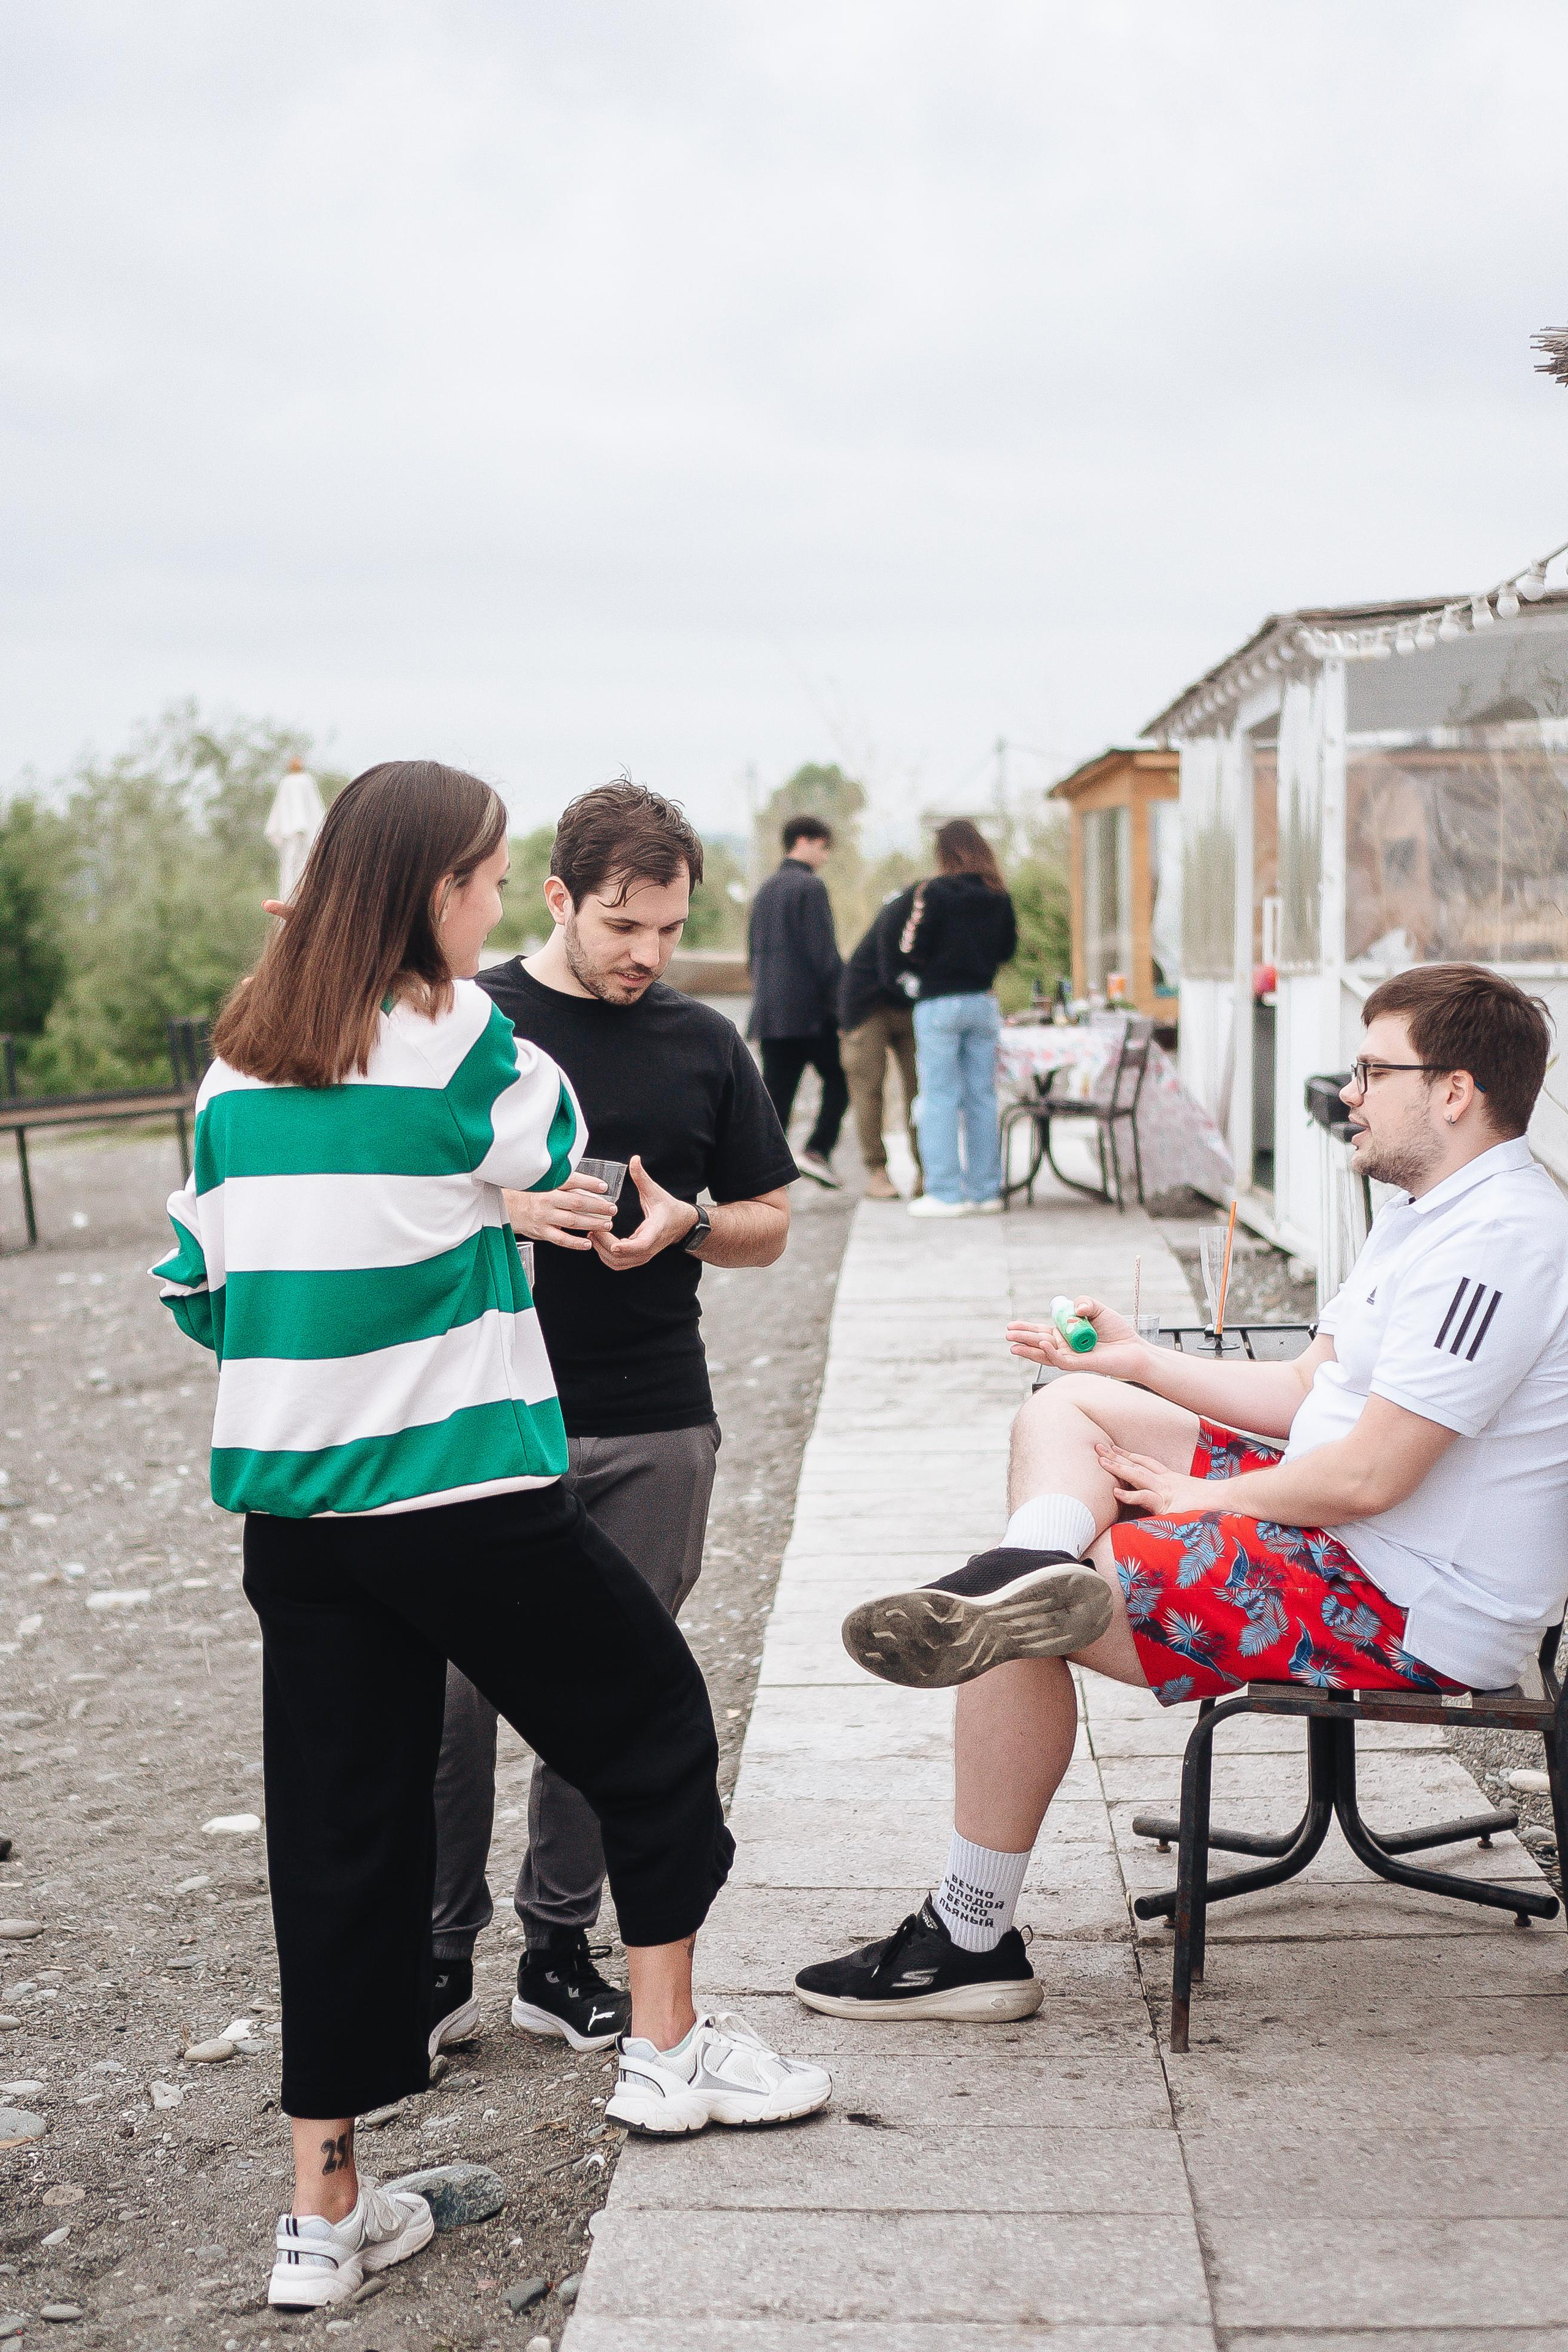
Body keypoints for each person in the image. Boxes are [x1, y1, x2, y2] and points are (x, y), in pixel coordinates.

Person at [152, 761, 829, 2310]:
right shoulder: (467, 1038)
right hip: (459, 1492)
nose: (486, 904)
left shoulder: (237, 1073)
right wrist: (486, 1230)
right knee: (650, 1721)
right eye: (483, 878)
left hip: (296, 1512)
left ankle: (321, 2213)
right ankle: (661, 2054)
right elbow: (555, 1165)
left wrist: (347, 1309)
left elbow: (197, 1282)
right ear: (433, 893)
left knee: (336, 1837)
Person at [795, 963, 1568, 2019]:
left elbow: (1372, 1474)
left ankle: (968, 1939)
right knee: (1069, 1410)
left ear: (1454, 1091)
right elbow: (1307, 1395)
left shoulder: (1503, 1243)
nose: (1348, 1091)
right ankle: (1031, 1572)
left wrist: (1207, 1502)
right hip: (1346, 1530)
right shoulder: (1425, 1210)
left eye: (1370, 1070)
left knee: (1016, 1627)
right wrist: (1137, 1361)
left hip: (1407, 1595)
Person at [429, 780, 799, 2054]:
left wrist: (688, 1222)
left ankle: (554, 1950)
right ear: (553, 899)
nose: (647, 954)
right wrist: (509, 1212)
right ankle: (428, 1962)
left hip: (654, 1419)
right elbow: (395, 1190)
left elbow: (768, 1223)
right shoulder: (464, 1023)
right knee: (448, 1701)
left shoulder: (703, 1042)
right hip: (477, 1415)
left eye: (668, 928)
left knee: (607, 1700)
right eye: (621, 924)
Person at [903, 818, 1017, 1220]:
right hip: (983, 1002)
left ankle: (946, 1193)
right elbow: (1008, 948)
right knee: (982, 1098)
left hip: (939, 1003)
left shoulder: (934, 892)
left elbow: (912, 947)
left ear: (945, 852)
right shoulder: (997, 893)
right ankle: (987, 1191)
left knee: (939, 1097)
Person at [747, 813, 848, 1188]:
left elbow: (753, 954)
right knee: (841, 1079)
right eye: (823, 848)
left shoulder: (766, 890)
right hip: (810, 1014)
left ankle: (762, 1176)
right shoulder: (810, 887)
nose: (824, 857)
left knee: (775, 1098)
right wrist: (841, 1007)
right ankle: (817, 1149)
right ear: (804, 841)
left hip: (771, 1014)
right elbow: (825, 955)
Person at [839, 883, 924, 1200]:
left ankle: (926, 1171)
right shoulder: (900, 909)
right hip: (864, 1006)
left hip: (908, 1006)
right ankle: (877, 1172)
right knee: (869, 1090)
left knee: (921, 1088)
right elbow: (890, 970)